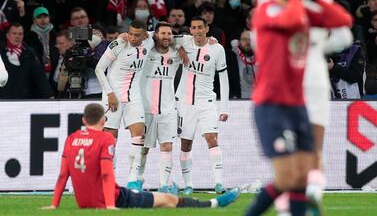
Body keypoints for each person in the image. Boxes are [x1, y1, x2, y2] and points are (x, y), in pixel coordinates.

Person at [246, 0, 352, 215]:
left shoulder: (304, 4)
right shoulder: (268, 7)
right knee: (286, 178)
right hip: (272, 102)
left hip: (298, 103)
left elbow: (343, 20)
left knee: (303, 174)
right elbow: (292, 20)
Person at [41, 103, 241, 210]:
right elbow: (105, 175)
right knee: (167, 200)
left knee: (164, 196)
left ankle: (173, 189)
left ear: (84, 120)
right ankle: (213, 204)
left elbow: (62, 176)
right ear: (104, 119)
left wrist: (54, 204)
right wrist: (111, 205)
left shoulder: (72, 138)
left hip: (85, 202)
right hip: (116, 199)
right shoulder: (105, 139)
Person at [95, 20, 155, 190]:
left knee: (139, 137)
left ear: (144, 35)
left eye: (137, 35)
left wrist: (210, 40)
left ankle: (133, 180)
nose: (132, 38)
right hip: (112, 96)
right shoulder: (119, 44)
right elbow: (99, 69)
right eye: (130, 33)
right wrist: (109, 93)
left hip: (133, 97)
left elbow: (169, 34)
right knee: (110, 140)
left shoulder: (150, 40)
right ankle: (108, 180)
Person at [175, 16, 229, 195]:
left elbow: (223, 79)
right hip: (185, 103)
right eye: (193, 28)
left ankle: (219, 183)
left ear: (207, 28)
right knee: (185, 144)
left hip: (206, 102)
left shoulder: (217, 48)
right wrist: (180, 48)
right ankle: (188, 185)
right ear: (189, 30)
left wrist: (225, 107)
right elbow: (159, 36)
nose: (197, 31)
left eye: (200, 27)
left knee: (212, 139)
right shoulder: (184, 41)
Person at [139, 22, 182, 192]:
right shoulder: (145, 52)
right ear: (156, 35)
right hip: (146, 109)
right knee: (143, 148)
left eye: (169, 33)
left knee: (167, 146)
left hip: (168, 109)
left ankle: (164, 185)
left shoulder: (176, 54)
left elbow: (189, 41)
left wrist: (211, 41)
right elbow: (142, 37)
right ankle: (137, 181)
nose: (166, 37)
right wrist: (149, 34)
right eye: (162, 33)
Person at [0, 23, 54, 99]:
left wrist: (49, 95)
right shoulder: (1, 52)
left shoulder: (29, 52)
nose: (17, 36)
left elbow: (39, 76)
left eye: (20, 34)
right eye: (14, 33)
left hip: (24, 101)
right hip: (3, 99)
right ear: (7, 35)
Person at [25, 7, 56, 77]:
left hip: (54, 72)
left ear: (49, 18)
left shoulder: (56, 35)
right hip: (36, 72)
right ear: (34, 20)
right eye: (39, 17)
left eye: (45, 17)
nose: (43, 20)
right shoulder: (28, 37)